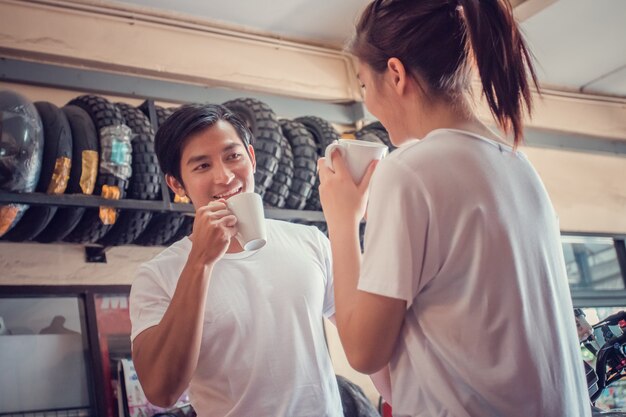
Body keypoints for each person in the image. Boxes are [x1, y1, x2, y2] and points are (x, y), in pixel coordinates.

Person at [317, 1, 591, 416]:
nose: (367, 101)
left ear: (395, 73)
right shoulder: (519, 166)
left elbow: (363, 351)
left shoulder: (409, 171)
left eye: (362, 85)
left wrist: (342, 219)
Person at [129, 104, 343, 417]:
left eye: (233, 156)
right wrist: (199, 263)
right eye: (202, 166)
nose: (225, 177)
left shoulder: (310, 241)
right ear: (176, 184)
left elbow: (366, 335)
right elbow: (161, 390)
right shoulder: (158, 275)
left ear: (252, 158)